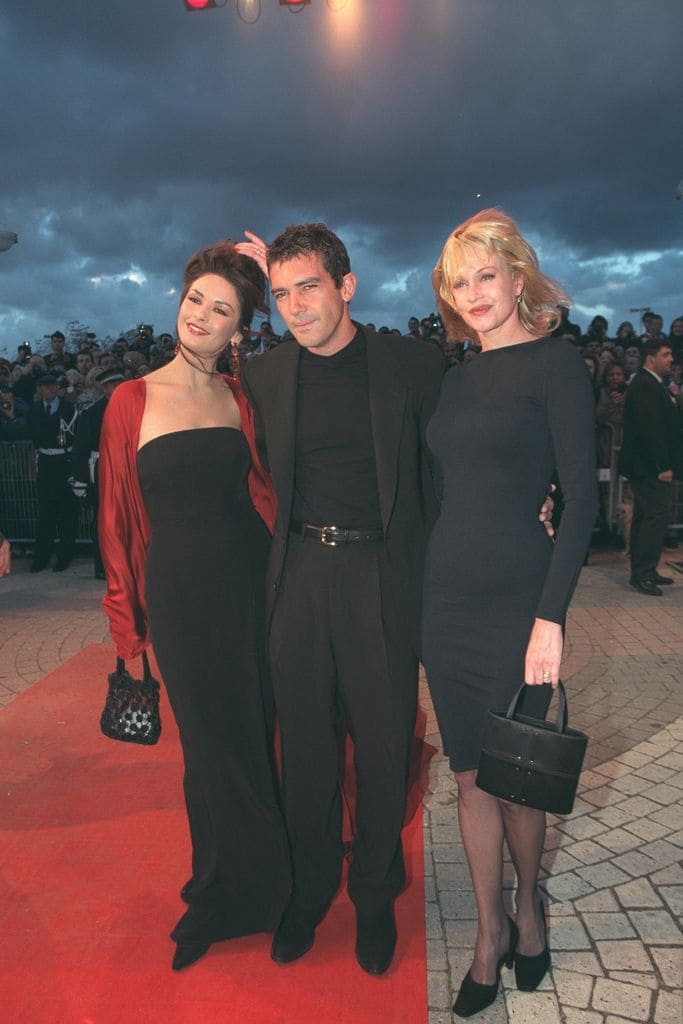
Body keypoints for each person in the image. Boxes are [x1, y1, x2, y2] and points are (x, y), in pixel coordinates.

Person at [238, 224, 445, 976]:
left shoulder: (412, 368)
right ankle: (309, 889)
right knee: (307, 750)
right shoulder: (265, 378)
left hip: (380, 577)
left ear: (346, 286)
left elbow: (447, 479)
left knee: (385, 745)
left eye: (310, 288)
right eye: (283, 293)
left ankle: (373, 895)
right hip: (298, 576)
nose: (295, 306)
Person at [98, 241, 290, 971]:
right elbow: (114, 520)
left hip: (253, 587)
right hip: (179, 597)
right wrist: (127, 627)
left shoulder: (243, 396)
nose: (201, 316)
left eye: (222, 309)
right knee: (209, 747)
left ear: (240, 328)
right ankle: (222, 893)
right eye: (194, 301)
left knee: (251, 734)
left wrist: (271, 273)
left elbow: (271, 492)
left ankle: (251, 888)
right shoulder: (131, 399)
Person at [424, 209, 597, 1018]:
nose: (474, 293)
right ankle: (490, 935)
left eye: (485, 274)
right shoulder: (453, 376)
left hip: (518, 601)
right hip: (443, 600)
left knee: (517, 779)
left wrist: (549, 617)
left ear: (516, 276)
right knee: (467, 777)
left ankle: (530, 908)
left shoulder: (556, 365)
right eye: (459, 282)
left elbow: (584, 501)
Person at [618, 339, 681, 596]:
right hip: (650, 467)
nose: (670, 360)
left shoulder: (653, 384)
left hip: (647, 466)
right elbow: (650, 430)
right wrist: (661, 466)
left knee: (648, 517)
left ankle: (645, 570)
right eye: (665, 355)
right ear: (650, 358)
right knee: (653, 518)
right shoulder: (645, 385)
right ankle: (642, 574)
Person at [71, 367, 125, 578]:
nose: (117, 388)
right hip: (102, 469)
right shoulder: (91, 413)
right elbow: (81, 449)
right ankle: (103, 566)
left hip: (128, 467)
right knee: (103, 520)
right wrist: (81, 480)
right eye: (112, 385)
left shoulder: (133, 408)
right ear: (104, 389)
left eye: (119, 383)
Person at [27, 372, 78, 572]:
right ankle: (42, 556)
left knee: (67, 512)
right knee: (45, 513)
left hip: (64, 461)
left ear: (57, 387)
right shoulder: (35, 410)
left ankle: (65, 556)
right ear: (38, 389)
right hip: (46, 462)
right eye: (43, 386)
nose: (47, 389)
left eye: (51, 385)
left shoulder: (68, 409)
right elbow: (31, 434)